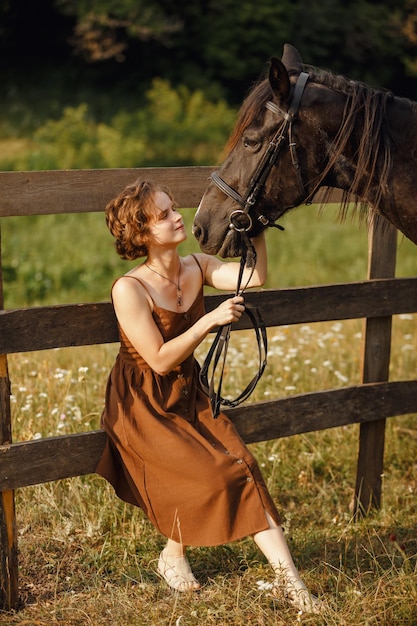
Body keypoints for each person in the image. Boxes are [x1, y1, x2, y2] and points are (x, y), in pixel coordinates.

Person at [95, 179, 320, 613]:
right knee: (211, 473)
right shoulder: (130, 288)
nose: (178, 216)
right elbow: (158, 360)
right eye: (163, 215)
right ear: (141, 234)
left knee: (241, 464)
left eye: (173, 207)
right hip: (142, 401)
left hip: (186, 387)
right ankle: (173, 554)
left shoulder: (197, 265)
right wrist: (208, 322)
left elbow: (254, 276)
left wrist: (255, 227)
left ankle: (295, 588)